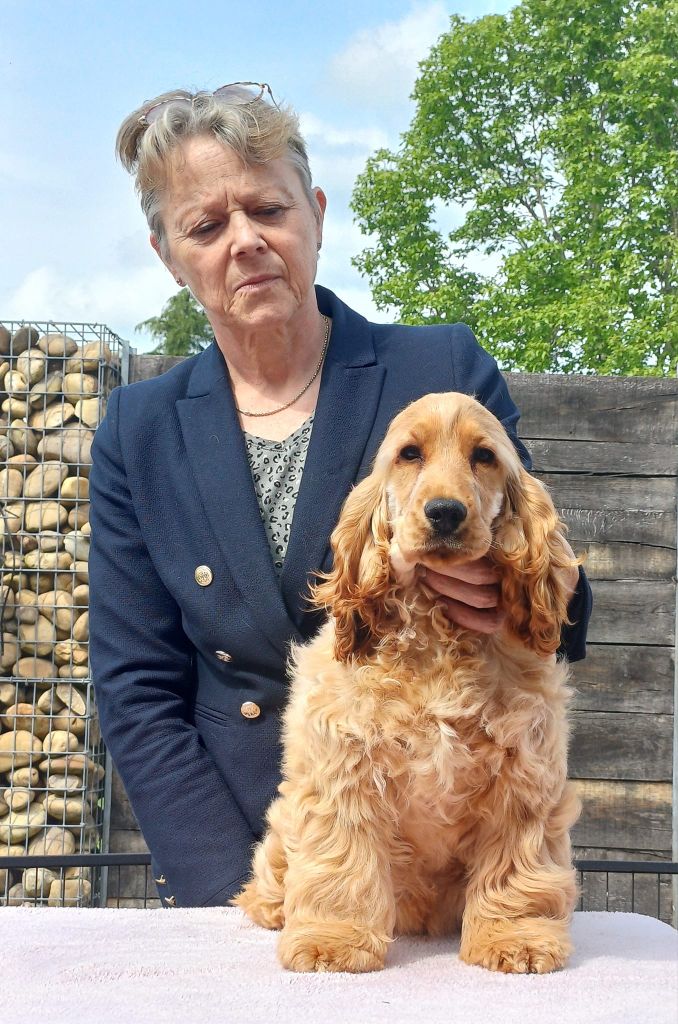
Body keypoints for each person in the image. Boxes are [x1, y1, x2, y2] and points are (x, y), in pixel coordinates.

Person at [89, 83, 592, 909]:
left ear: (315, 214)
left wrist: (504, 597)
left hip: (455, 874)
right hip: (260, 857)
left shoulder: (443, 372)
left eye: (268, 209)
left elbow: (561, 593)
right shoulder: (137, 429)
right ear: (168, 255)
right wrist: (230, 893)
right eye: (207, 226)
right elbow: (136, 686)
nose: (245, 241)